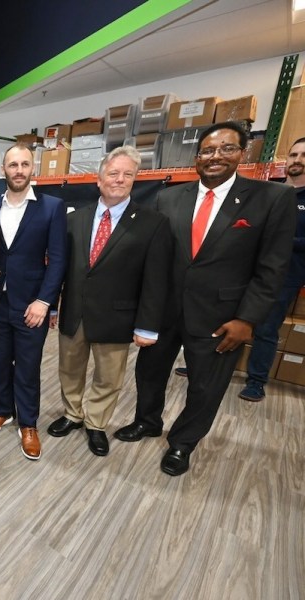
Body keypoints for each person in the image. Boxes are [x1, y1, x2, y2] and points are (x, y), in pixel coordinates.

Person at [115, 122, 297, 476]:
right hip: (164, 310)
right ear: (197, 158)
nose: (216, 157)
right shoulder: (170, 197)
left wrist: (247, 320)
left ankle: (183, 443)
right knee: (149, 372)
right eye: (208, 151)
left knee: (205, 385)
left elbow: (273, 267)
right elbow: (155, 257)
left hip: (222, 316)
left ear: (242, 153)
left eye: (226, 149)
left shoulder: (272, 198)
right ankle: (147, 421)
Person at [47, 146, 171, 456]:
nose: (119, 179)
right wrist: (51, 304)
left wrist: (148, 326)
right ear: (99, 179)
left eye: (127, 174)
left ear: (135, 180)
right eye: (113, 173)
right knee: (69, 369)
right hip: (74, 313)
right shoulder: (75, 219)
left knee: (108, 377)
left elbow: (155, 281)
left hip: (117, 317)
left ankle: (96, 424)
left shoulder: (152, 223)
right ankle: (73, 414)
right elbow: (61, 267)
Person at [0, 143, 67, 460]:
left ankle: (28, 423)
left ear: (33, 169)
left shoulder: (51, 207)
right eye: (12, 165)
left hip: (31, 305)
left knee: (27, 368)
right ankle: (2, 409)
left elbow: (58, 260)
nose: (19, 170)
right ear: (3, 169)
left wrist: (45, 301)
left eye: (24, 164)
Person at [238, 137, 305, 401]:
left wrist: (279, 240)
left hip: (285, 276)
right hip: (247, 270)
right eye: (293, 155)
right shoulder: (268, 191)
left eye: (303, 155)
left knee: (266, 328)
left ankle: (256, 382)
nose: (297, 160)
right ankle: (204, 363)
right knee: (225, 316)